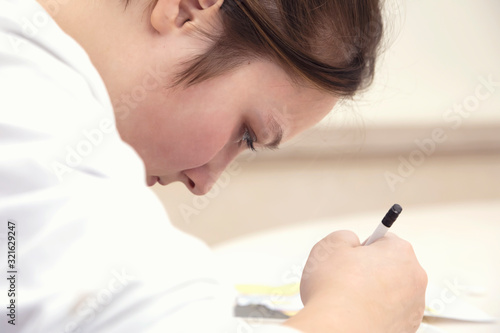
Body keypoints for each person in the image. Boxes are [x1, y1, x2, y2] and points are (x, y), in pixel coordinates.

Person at [0, 0, 427, 332]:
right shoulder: (31, 113)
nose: (204, 182)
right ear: (191, 8)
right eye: (246, 134)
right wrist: (357, 313)